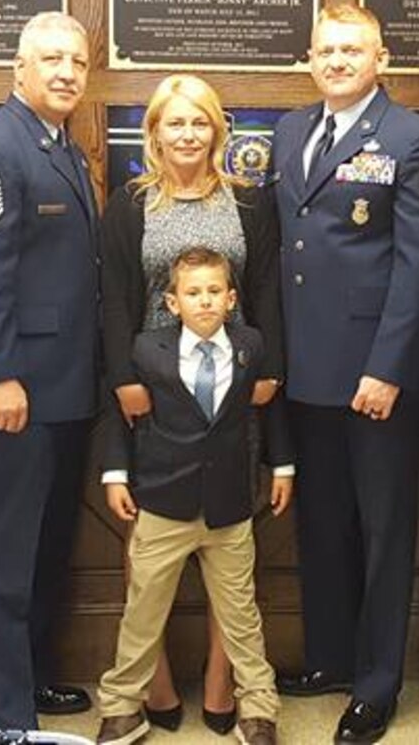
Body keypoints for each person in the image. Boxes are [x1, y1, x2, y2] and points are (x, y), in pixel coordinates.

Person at [271, 4, 419, 744]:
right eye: (326, 49)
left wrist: (389, 368)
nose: (338, 60)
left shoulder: (416, 139)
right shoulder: (290, 132)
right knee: (322, 526)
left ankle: (377, 682)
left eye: (353, 49)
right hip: (306, 370)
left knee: (383, 532)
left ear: (382, 58)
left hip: (375, 376)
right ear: (309, 59)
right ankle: (329, 656)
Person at [101, 73, 286, 733]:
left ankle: (221, 685)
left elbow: (265, 290)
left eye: (199, 122)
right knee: (151, 541)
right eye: (174, 123)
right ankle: (145, 689)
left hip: (231, 386)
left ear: (218, 131)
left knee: (229, 537)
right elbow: (118, 296)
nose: (187, 134)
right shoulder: (129, 203)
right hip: (154, 387)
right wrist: (124, 375)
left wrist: (272, 369)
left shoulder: (249, 203)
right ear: (153, 133)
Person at [0, 11, 100, 730]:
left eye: (76, 60)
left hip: (63, 387)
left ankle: (29, 678)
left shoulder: (63, 148)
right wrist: (0, 374)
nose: (66, 71)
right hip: (14, 389)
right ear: (18, 69)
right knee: (2, 557)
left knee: (42, 550)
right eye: (51, 59)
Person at [92, 247, 294, 745]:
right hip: (162, 503)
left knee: (241, 615)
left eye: (213, 292)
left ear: (230, 299)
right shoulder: (145, 349)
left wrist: (283, 465)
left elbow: (269, 411)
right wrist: (115, 472)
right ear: (173, 302)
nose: (204, 301)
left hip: (230, 506)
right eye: (192, 293)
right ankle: (121, 706)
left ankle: (258, 708)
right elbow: (121, 413)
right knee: (143, 611)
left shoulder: (251, 346)